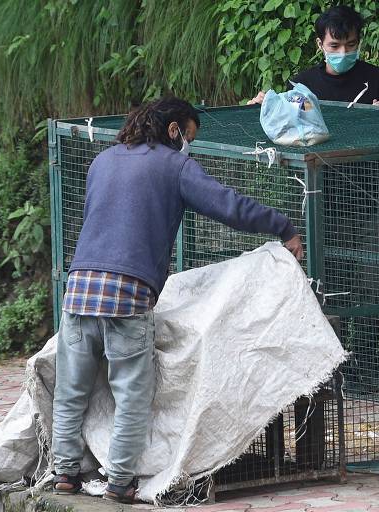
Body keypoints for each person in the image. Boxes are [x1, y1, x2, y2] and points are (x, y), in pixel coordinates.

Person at [50, 97, 303, 504]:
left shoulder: (102, 161)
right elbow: (228, 206)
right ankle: (120, 482)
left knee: (71, 390)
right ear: (173, 130)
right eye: (189, 136)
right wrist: (283, 227)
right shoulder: (175, 166)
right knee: (131, 395)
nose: (190, 145)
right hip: (129, 295)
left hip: (79, 289)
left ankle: (64, 473)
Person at [248, 5, 379, 107]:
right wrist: (263, 107)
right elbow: (288, 125)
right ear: (320, 45)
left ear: (359, 42)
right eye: (334, 46)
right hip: (315, 157)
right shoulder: (302, 86)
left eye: (351, 44)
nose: (343, 52)